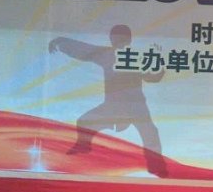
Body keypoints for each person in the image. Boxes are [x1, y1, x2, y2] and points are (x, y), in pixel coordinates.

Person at [49, 24, 167, 176]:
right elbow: (83, 50)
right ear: (111, 39)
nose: (118, 41)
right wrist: (60, 41)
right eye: (115, 38)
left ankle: (156, 165)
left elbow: (153, 77)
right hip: (113, 105)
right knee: (85, 122)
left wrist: (159, 63)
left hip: (136, 106)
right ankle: (83, 147)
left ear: (129, 40)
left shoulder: (136, 57)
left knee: (150, 133)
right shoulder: (106, 54)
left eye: (122, 38)